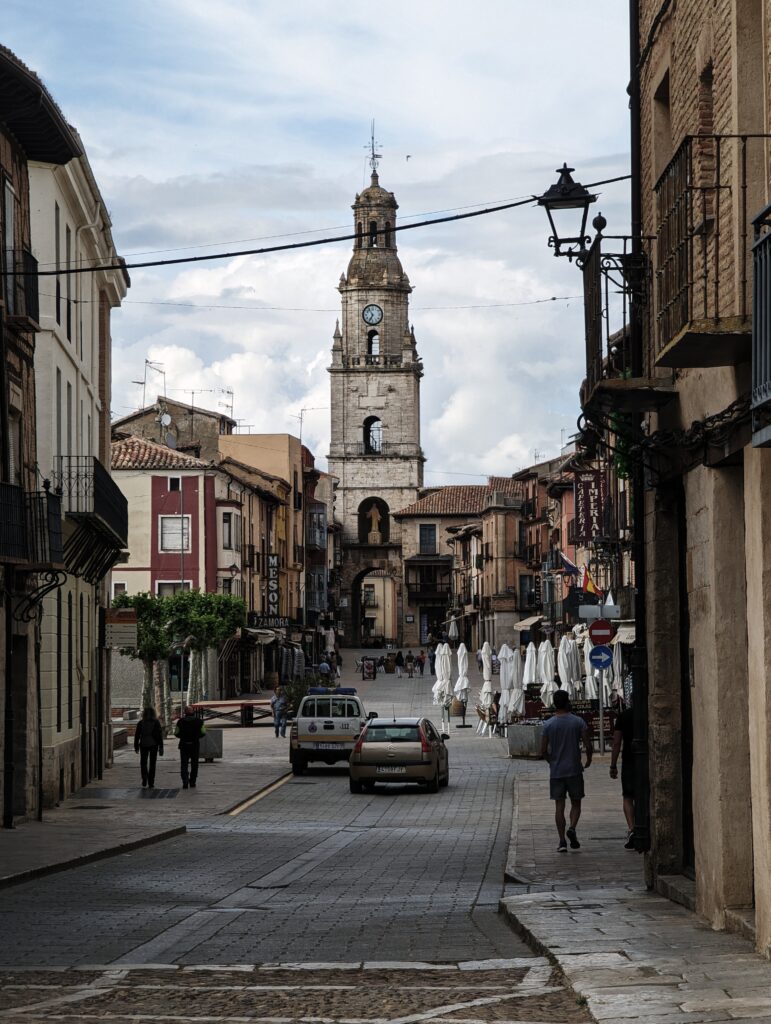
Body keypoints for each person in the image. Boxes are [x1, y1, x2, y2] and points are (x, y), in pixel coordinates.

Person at [539, 689, 592, 852]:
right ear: (568, 701)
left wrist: (551, 761)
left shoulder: (548, 724)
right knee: (576, 803)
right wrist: (588, 759)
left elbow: (543, 750)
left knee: (559, 806)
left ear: (554, 704)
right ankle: (573, 827)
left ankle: (562, 841)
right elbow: (588, 744)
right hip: (574, 769)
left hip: (557, 771)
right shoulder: (578, 722)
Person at [610, 704, 636, 849]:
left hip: (629, 761)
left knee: (627, 796)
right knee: (643, 795)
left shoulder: (623, 716)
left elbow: (616, 742)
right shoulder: (647, 713)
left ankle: (632, 829)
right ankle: (643, 827)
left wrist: (613, 765)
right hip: (645, 761)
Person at [175, 706, 206, 790]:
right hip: (194, 745)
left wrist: (183, 736)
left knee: (184, 764)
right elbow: (203, 732)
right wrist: (196, 737)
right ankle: (192, 782)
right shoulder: (199, 721)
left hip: (184, 745)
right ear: (193, 712)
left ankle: (185, 781)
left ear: (185, 712)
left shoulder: (180, 722)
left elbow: (176, 733)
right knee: (194, 764)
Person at [134, 707, 163, 789]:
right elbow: (159, 736)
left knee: (143, 763)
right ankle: (151, 782)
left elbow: (137, 736)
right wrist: (161, 746)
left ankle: (144, 778)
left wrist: (136, 746)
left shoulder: (140, 723)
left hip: (143, 744)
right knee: (152, 764)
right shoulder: (156, 722)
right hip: (154, 744)